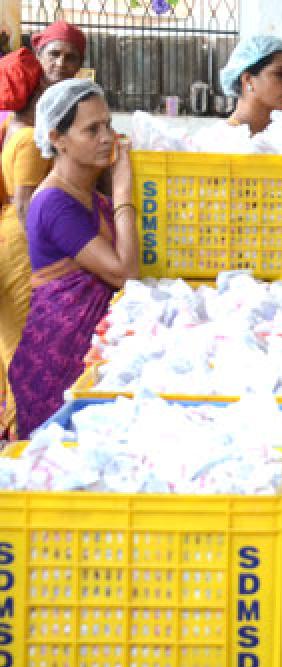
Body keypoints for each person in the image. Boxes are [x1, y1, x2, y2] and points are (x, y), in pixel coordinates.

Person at [9, 79, 137, 437]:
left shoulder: (89, 195)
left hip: (85, 355)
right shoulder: (54, 203)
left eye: (108, 125)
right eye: (92, 129)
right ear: (57, 139)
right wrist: (124, 190)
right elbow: (124, 272)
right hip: (58, 358)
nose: (107, 137)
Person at [0, 48, 47, 438]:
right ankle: (20, 432)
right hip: (21, 248)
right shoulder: (30, 138)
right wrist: (46, 262)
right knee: (23, 348)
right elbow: (25, 206)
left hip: (9, 242)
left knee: (9, 342)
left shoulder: (11, 128)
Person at [31, 21, 85, 86]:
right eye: (54, 54)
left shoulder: (86, 94)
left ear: (80, 64)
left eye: (70, 58)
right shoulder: (20, 91)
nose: (60, 64)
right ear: (38, 56)